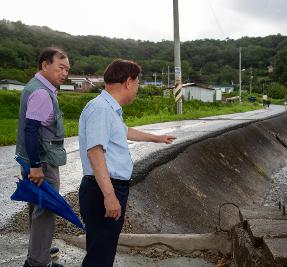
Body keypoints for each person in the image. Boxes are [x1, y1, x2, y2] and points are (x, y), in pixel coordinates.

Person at [78, 59, 176, 267]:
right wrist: (109, 195)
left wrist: (157, 138)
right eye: (138, 82)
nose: (138, 88)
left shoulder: (108, 109)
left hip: (106, 187)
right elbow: (95, 153)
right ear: (128, 82)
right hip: (103, 188)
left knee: (102, 250)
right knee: (100, 256)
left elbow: (125, 132)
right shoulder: (101, 109)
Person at [16, 47, 69, 267]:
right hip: (42, 162)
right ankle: (38, 261)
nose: (64, 73)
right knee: (45, 210)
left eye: (67, 69)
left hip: (34, 160)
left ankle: (39, 249)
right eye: (61, 67)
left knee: (36, 207)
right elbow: (31, 131)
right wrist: (36, 167)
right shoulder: (41, 93)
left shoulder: (37, 87)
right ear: (45, 65)